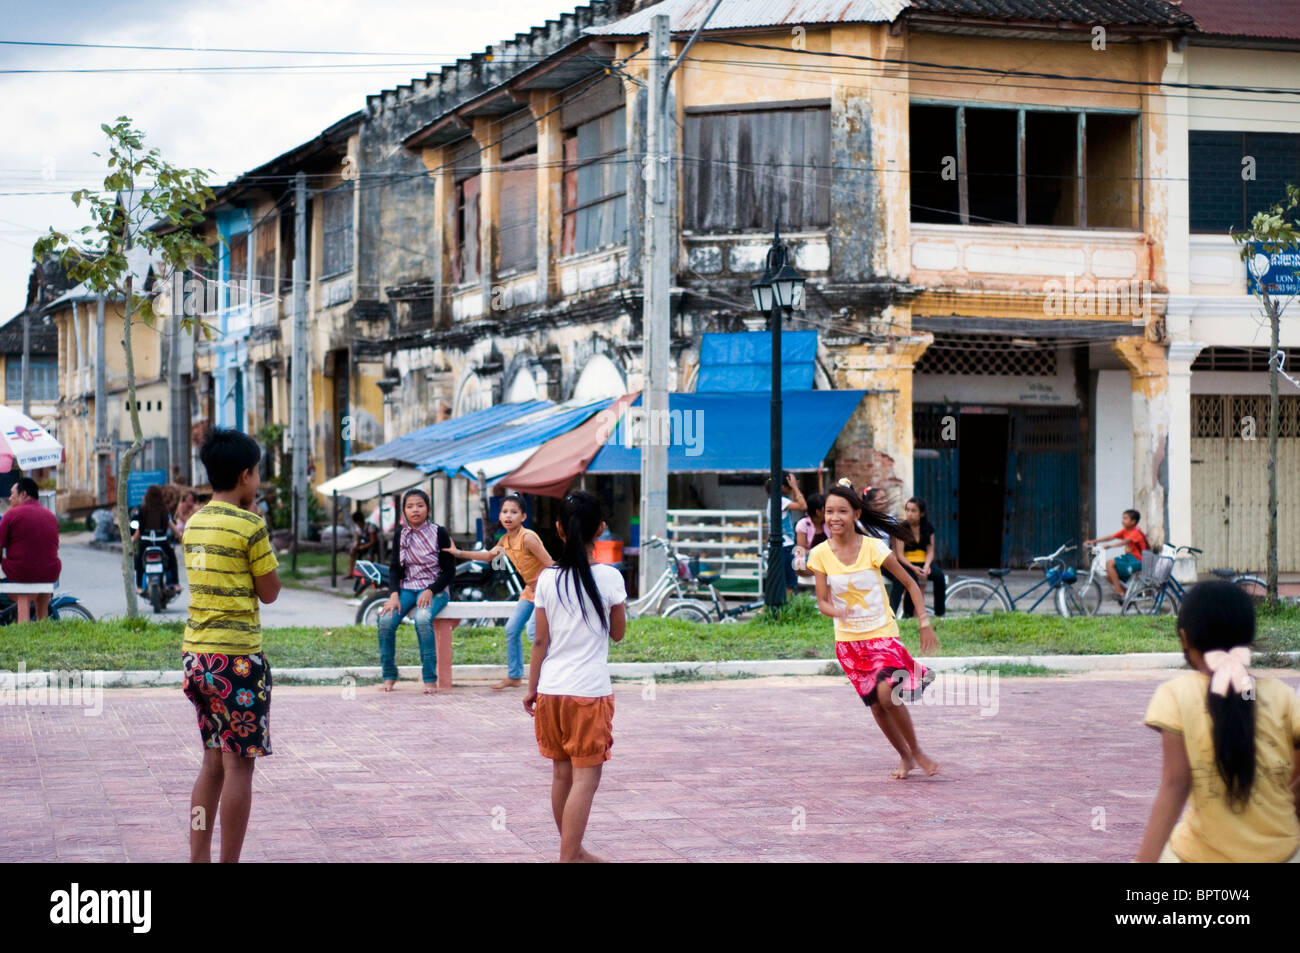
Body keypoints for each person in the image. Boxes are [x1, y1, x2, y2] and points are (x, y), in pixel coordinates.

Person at [1136, 581, 1300, 863]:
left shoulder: (1176, 695)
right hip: (1284, 854)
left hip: (1199, 856)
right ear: (1247, 639)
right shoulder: (1284, 697)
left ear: (1185, 638)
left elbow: (1175, 785)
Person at [180, 427, 281, 863]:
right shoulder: (251, 526)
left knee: (211, 762)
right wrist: (254, 515)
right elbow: (270, 591)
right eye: (257, 474)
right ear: (246, 475)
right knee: (240, 765)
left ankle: (198, 857)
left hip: (197, 656)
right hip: (238, 661)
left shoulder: (193, 522)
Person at [807, 483, 941, 780]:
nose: (835, 517)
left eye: (842, 511)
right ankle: (905, 757)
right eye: (829, 511)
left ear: (856, 513)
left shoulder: (873, 548)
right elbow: (822, 602)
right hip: (849, 645)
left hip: (882, 634)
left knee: (885, 691)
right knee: (877, 706)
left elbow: (908, 584)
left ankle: (917, 750)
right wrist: (837, 611)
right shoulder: (819, 555)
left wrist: (924, 622)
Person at [523, 491, 626, 862]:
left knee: (561, 777)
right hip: (589, 693)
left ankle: (575, 853)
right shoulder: (610, 577)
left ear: (558, 530)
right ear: (600, 529)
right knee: (586, 780)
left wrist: (531, 689)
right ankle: (569, 858)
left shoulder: (547, 579)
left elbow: (540, 642)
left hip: (551, 692)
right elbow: (617, 634)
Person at [450, 493, 554, 690]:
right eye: (505, 511)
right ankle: (515, 677)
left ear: (523, 517)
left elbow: (551, 565)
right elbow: (490, 556)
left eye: (514, 512)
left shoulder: (528, 538)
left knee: (534, 633)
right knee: (511, 629)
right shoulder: (505, 540)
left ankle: (550, 676)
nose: (508, 516)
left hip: (545, 590)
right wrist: (459, 553)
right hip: (530, 591)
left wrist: (550, 589)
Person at [376, 489, 456, 694]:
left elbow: (449, 571)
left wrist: (431, 590)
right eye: (410, 506)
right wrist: (393, 594)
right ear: (403, 510)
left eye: (420, 505)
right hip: (407, 588)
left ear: (428, 508)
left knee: (422, 620)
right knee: (385, 621)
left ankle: (429, 678)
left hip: (436, 588)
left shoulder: (440, 533)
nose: (415, 510)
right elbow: (395, 568)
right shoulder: (400, 535)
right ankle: (389, 675)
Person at [0, 477, 61, 622]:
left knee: (17, 592)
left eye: (12, 494)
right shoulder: (51, 516)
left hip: (21, 575)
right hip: (50, 574)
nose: (9, 499)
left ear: (23, 494)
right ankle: (42, 624)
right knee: (42, 609)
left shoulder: (11, 515)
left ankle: (20, 625)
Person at [890, 497, 947, 618]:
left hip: (923, 561)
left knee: (939, 577)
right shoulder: (902, 528)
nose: (909, 514)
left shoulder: (928, 528)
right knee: (912, 579)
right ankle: (908, 615)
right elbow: (900, 556)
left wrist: (926, 567)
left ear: (922, 513)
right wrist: (914, 568)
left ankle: (940, 614)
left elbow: (930, 551)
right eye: (908, 510)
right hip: (907, 562)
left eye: (913, 511)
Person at [1084, 508, 1150, 600]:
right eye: (1123, 518)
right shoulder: (1126, 530)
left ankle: (1119, 592)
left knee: (1109, 563)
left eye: (1125, 518)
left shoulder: (1136, 532)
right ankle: (1127, 595)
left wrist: (1111, 546)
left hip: (1138, 560)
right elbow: (1111, 537)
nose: (1122, 521)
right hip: (1130, 558)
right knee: (1108, 576)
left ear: (1133, 521)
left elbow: (1126, 541)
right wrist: (1093, 541)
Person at [133, 484, 181, 595]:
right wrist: (180, 536)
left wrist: (131, 540)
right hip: (161, 542)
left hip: (145, 542)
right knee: (172, 558)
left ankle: (139, 586)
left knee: (139, 560)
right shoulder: (164, 511)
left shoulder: (142, 510)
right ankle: (175, 583)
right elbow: (173, 527)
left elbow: (138, 531)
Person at [765, 473, 806, 594]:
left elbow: (796, 503)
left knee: (778, 581)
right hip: (784, 547)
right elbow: (803, 505)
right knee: (789, 582)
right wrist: (795, 487)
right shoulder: (780, 500)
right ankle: (786, 609)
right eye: (788, 485)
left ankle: (777, 608)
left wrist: (793, 488)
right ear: (782, 487)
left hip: (777, 547)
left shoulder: (774, 500)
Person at [792, 492, 826, 576]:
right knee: (799, 566)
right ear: (818, 512)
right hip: (811, 560)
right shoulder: (803, 524)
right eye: (827, 510)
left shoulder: (829, 524)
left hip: (827, 559)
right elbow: (801, 550)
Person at [347, 510, 376, 579]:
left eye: (359, 523)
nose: (358, 525)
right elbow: (357, 539)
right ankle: (351, 573)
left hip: (372, 546)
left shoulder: (370, 526)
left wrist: (362, 547)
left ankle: (369, 574)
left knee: (369, 555)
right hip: (364, 546)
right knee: (352, 552)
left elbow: (373, 542)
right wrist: (355, 546)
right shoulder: (358, 528)